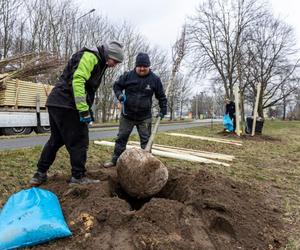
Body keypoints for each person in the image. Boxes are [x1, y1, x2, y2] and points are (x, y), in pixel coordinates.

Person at [30, 41, 124, 186]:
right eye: (115, 61)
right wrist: (83, 109)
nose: (115, 65)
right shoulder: (91, 57)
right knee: (79, 141)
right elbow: (78, 80)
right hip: (68, 104)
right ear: (108, 55)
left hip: (56, 102)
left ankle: (39, 174)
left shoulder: (98, 60)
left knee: (56, 140)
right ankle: (78, 177)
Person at [104, 52, 167, 168]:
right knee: (121, 139)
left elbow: (161, 96)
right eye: (140, 66)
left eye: (145, 66)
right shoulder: (128, 76)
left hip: (144, 117)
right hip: (127, 115)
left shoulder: (155, 80)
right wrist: (119, 96)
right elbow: (116, 86)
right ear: (136, 66)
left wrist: (163, 109)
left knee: (146, 141)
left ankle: (147, 164)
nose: (142, 69)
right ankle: (115, 161)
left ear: (149, 66)